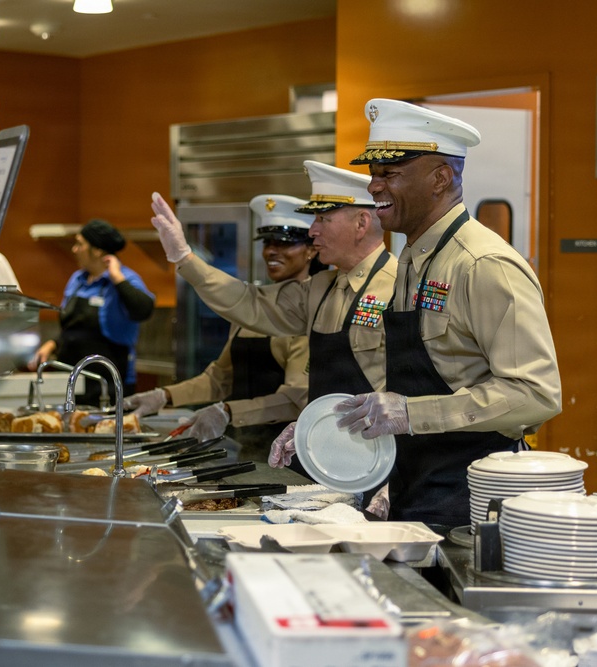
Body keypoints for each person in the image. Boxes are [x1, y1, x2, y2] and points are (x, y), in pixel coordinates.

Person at [334, 98, 562, 528]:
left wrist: (411, 415)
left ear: (440, 178)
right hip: (413, 489)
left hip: (471, 502)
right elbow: (414, 374)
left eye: (390, 175)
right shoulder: (410, 258)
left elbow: (537, 394)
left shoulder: (482, 264)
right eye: (373, 174)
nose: (373, 187)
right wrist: (341, 429)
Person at [148, 160, 397, 482]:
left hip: (383, 463)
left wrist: (393, 484)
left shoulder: (401, 286)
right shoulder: (323, 288)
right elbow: (251, 303)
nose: (313, 230)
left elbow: (418, 391)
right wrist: (185, 259)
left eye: (323, 218)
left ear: (362, 223)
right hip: (328, 456)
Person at [125, 194, 323, 459]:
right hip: (245, 451)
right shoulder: (253, 309)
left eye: (284, 243)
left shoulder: (312, 312)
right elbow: (220, 378)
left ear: (311, 249)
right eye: (267, 242)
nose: (271, 251)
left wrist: (227, 412)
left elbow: (295, 399)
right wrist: (164, 396)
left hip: (286, 454)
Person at [27, 219, 155, 405]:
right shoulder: (77, 279)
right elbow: (74, 329)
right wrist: (52, 344)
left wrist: (117, 278)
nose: (74, 249)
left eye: (80, 244)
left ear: (97, 250)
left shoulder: (126, 278)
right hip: (71, 381)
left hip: (107, 385)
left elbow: (144, 310)